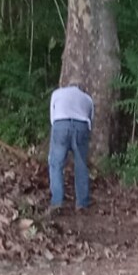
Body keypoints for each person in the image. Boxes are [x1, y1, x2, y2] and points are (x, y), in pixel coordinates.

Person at [48, 82, 95, 211]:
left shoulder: (57, 93)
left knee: (56, 164)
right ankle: (82, 202)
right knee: (81, 165)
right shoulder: (87, 99)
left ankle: (57, 201)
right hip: (81, 126)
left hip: (61, 123)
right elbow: (90, 119)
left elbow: (52, 118)